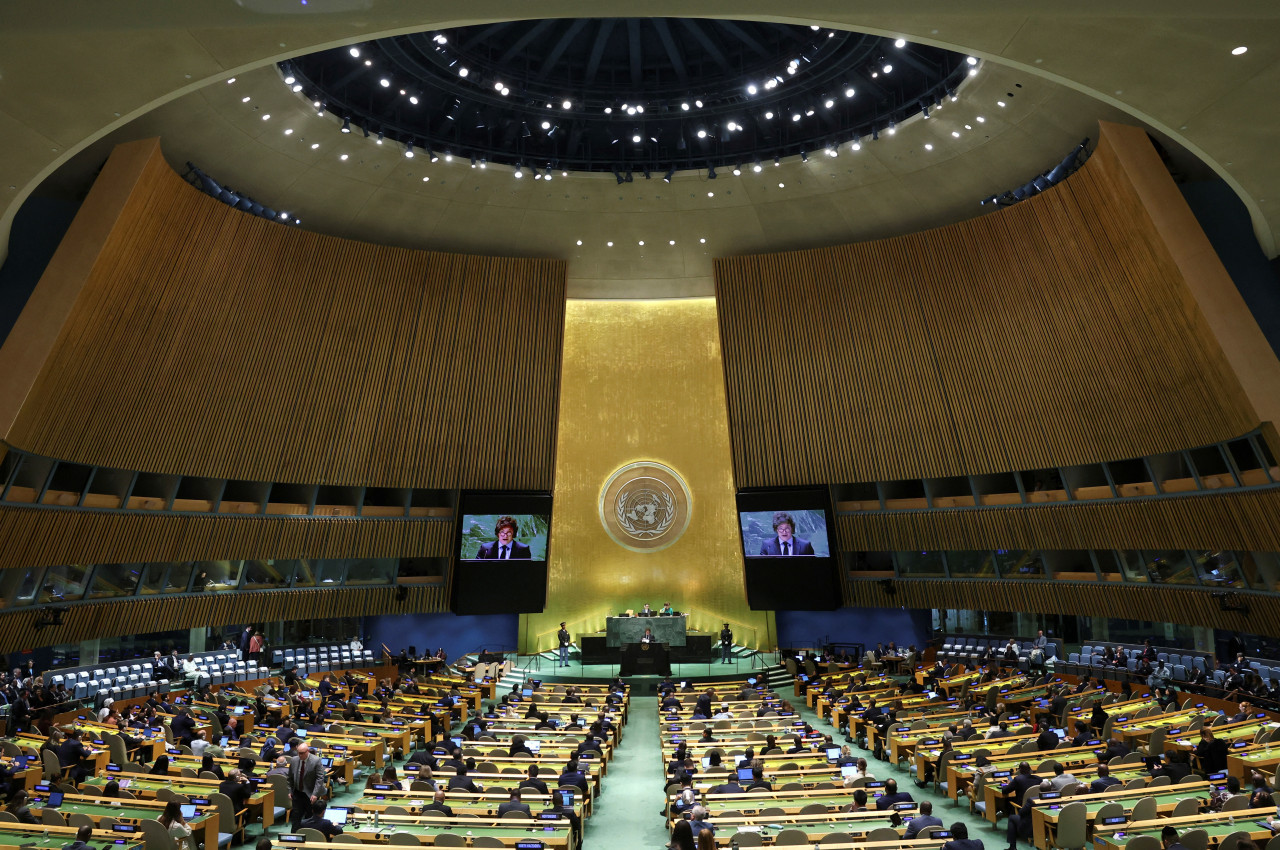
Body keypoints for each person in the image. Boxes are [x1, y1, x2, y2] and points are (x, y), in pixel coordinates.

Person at [288, 741, 326, 831]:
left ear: (307, 751)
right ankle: (292, 842)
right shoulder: (294, 760)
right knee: (295, 818)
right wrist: (290, 791)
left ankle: (308, 838)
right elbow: (289, 778)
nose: (300, 755)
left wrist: (315, 794)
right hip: (297, 793)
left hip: (310, 794)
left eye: (302, 753)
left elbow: (320, 779)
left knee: (309, 818)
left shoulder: (316, 760)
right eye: (298, 753)